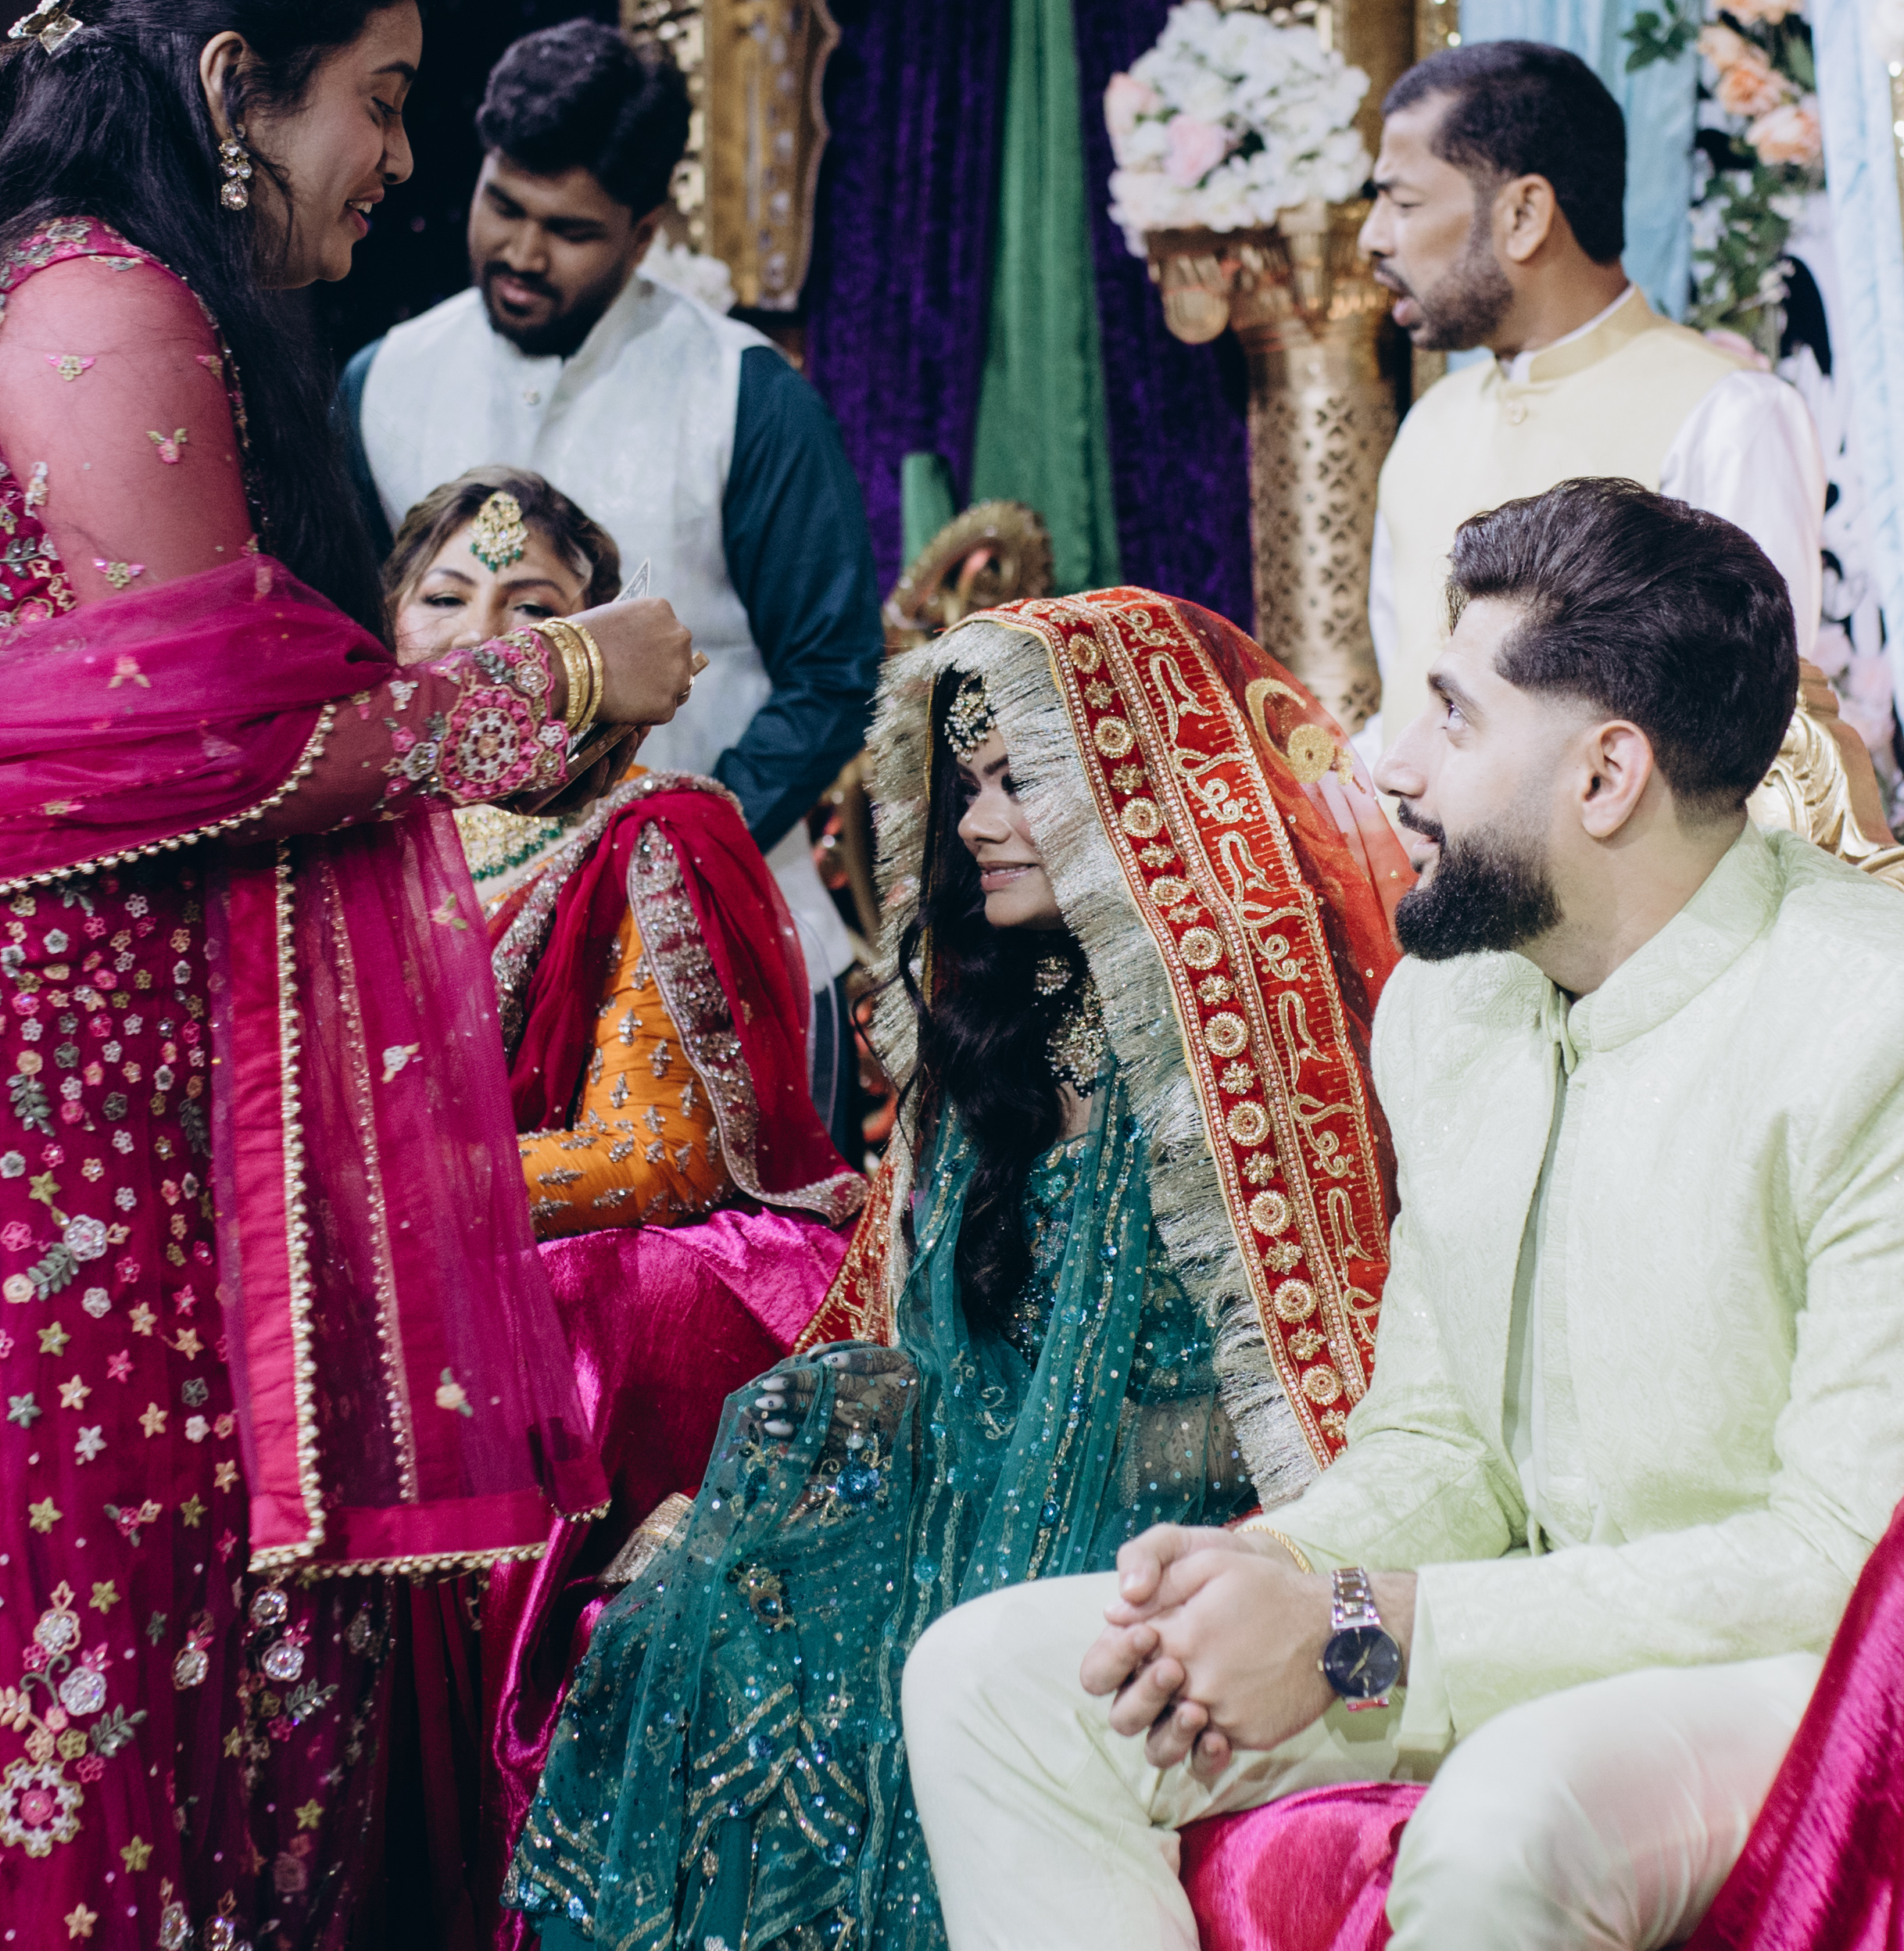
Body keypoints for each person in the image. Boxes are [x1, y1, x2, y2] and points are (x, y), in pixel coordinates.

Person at [0, 5, 705, 1946]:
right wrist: (567, 673)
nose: (401, 164)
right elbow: (212, 738)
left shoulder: (11, 286)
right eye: (383, 105)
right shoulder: (101, 297)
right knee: (31, 1636)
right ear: (235, 83)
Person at [903, 480, 1904, 1951]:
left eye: (1453, 717)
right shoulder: (1452, 1008)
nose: (1391, 765)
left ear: (1605, 776)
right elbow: (1438, 1443)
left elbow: (1849, 1564)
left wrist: (1363, 1625)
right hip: (1500, 1642)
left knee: (1507, 1817)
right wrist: (1278, 1575)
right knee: (994, 1680)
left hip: (1822, 1680)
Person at [501, 587, 1420, 1949]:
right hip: (966, 1489)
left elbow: (1326, 1376)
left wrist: (1099, 1473)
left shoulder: (1243, 1037)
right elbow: (889, 1322)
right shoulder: (992, 1018)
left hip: (1184, 1519)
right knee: (695, 1617)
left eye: (1019, 783)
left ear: (1137, 788)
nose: (978, 823)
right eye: (968, 787)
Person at [368, 466, 865, 1942]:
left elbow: (650, 1154)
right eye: (444, 598)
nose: (485, 635)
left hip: (560, 1284)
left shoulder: (655, 832)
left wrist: (374, 1200)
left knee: (591, 1303)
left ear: (610, 654)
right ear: (385, 636)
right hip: (379, 1270)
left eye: (534, 606)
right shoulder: (348, 848)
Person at [338, 20, 882, 1128]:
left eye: (572, 231)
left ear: (644, 234)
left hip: (726, 949)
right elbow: (354, 656)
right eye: (505, 206)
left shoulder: (742, 395)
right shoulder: (382, 380)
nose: (524, 253)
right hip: (448, 965)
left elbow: (833, 673)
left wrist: (679, 851)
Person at [1360, 43, 1823, 754]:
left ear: (1524, 215)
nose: (1373, 237)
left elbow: (1760, 748)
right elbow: (1405, 713)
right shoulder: (1431, 423)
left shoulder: (1728, 415)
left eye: (1403, 203)